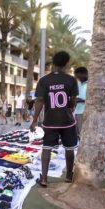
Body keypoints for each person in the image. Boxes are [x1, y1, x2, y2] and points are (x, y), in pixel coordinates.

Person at [30, 51, 78, 187]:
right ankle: (69, 176)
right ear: (66, 63)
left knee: (47, 148)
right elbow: (73, 100)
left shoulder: (44, 80)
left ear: (53, 63)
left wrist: (34, 120)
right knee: (69, 148)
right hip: (67, 121)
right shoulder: (71, 80)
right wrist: (70, 107)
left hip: (50, 122)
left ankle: (44, 179)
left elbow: (39, 101)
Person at [74, 67, 88, 137]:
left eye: (79, 76)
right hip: (77, 111)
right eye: (77, 77)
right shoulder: (78, 84)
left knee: (84, 133)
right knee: (79, 133)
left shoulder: (91, 84)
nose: (78, 78)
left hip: (86, 112)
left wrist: (81, 100)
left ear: (85, 74)